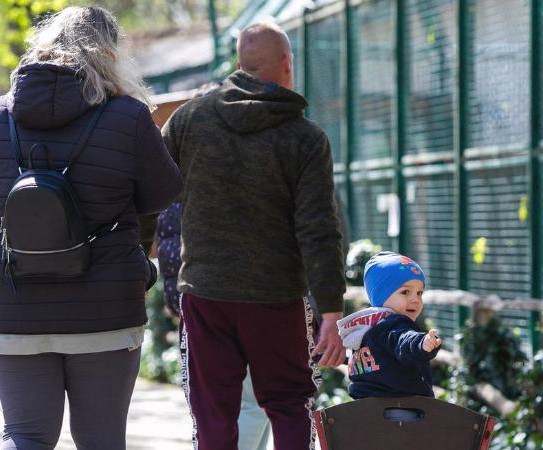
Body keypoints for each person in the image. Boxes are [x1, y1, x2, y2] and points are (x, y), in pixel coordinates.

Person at [0, 6, 182, 450]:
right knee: (101, 439)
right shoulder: (128, 118)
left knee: (24, 435)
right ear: (110, 53)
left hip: (14, 307)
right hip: (106, 306)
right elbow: (163, 194)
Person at [161, 21, 346, 450]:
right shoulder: (305, 138)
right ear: (286, 63)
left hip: (205, 294)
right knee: (288, 403)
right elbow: (319, 228)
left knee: (213, 410)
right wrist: (332, 312)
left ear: (241, 64)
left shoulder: (188, 120)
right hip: (275, 296)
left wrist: (141, 262)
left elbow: (150, 191)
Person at [155, 202, 272, 450]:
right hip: (243, 300)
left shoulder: (173, 179)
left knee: (223, 406)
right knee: (251, 404)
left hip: (195, 304)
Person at [338, 251, 442, 399]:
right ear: (382, 295)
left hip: (363, 409)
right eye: (405, 292)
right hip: (403, 408)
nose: (415, 299)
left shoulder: (364, 326)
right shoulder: (395, 324)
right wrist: (421, 343)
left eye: (419, 293)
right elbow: (404, 340)